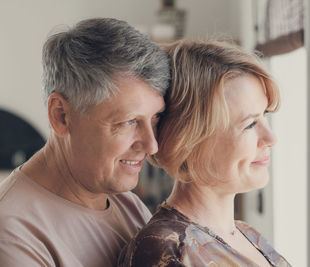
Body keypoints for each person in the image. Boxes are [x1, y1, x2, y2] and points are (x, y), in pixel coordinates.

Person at [0, 18, 170, 266]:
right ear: (62, 116)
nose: (151, 145)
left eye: (154, 118)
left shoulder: (128, 204)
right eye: (128, 122)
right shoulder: (13, 233)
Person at [118, 40, 291, 267]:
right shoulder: (167, 249)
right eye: (249, 125)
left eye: (264, 116)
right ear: (190, 141)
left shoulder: (248, 235)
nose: (271, 138)